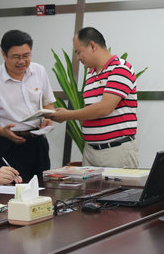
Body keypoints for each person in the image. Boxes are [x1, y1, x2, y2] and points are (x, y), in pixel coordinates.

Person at [48, 27, 138, 168]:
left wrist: (67, 115)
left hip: (115, 151)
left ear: (92, 46)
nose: (78, 58)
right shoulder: (90, 74)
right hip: (90, 151)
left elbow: (104, 108)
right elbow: (92, 110)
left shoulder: (120, 68)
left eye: (79, 52)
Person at [0, 30, 56, 182]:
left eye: (26, 56)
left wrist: (48, 118)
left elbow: (48, 103)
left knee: (43, 186)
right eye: (16, 57)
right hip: (9, 143)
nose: (22, 61)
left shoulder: (39, 71)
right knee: (12, 188)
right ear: (4, 54)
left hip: (38, 140)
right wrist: (2, 132)